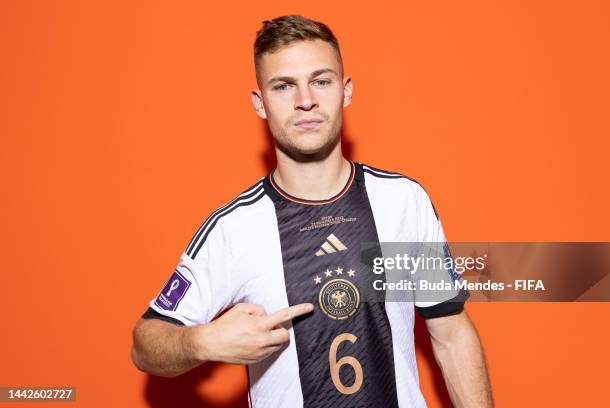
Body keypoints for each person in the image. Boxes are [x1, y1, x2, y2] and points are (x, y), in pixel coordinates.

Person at [131, 14, 493, 408]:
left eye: (321, 81)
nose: (306, 100)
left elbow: (451, 336)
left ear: (346, 90)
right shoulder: (235, 229)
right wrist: (202, 341)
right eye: (284, 86)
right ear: (260, 103)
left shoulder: (402, 202)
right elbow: (145, 344)